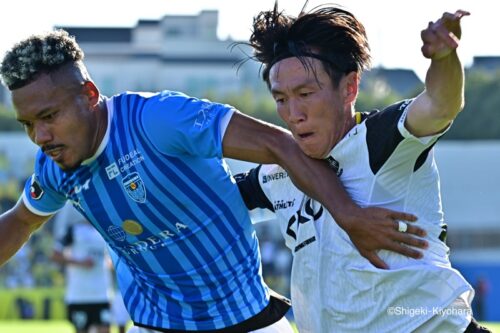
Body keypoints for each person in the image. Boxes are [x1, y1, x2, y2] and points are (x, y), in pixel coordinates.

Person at [0, 29, 425, 332]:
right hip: (155, 324)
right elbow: (19, 222)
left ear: (89, 96)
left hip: (248, 320)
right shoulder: (54, 167)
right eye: (28, 124)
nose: (41, 137)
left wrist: (350, 215)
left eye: (49, 117)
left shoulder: (158, 119)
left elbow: (280, 145)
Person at [235, 4, 492, 333]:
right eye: (281, 98)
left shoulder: (379, 140)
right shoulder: (277, 172)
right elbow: (207, 195)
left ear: (350, 88)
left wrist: (443, 60)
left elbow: (440, 105)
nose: (293, 113)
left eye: (305, 93)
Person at [51, 203, 112, 333]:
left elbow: (108, 257)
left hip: (102, 294)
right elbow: (55, 256)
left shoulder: (104, 231)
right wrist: (81, 263)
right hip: (79, 295)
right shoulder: (72, 230)